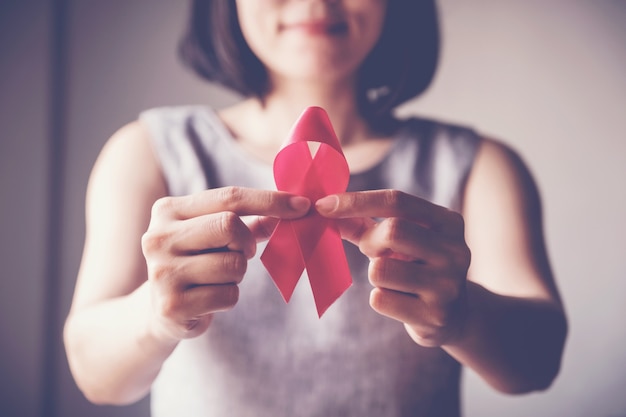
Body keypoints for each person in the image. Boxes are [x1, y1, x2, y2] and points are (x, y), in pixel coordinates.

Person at [63, 1, 567, 416]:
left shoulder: (477, 167)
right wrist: (156, 315)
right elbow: (95, 375)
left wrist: (461, 315)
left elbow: (538, 362)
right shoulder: (150, 154)